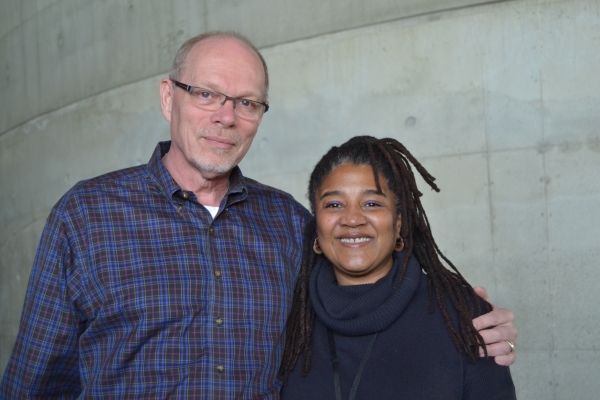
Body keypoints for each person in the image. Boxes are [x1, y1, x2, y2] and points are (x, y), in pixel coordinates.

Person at [0, 32, 517, 399]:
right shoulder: (87, 216)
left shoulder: (290, 224)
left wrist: (465, 317)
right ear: (168, 97)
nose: (226, 116)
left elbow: (360, 300)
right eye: (206, 94)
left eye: (247, 102)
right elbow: (37, 382)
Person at [279, 136, 517, 399]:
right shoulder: (283, 316)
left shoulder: (460, 315)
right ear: (317, 228)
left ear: (399, 225)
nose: (353, 219)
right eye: (334, 204)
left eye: (372, 203)